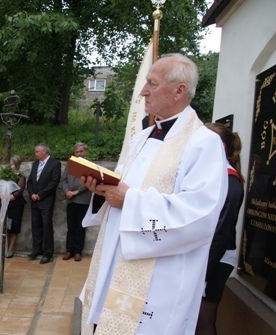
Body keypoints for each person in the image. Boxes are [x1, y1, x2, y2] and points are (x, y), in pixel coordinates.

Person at [79, 54, 228, 334]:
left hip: (160, 277)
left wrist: (129, 200)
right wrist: (101, 190)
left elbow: (199, 216)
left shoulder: (203, 144)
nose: (143, 91)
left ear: (179, 90)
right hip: (112, 263)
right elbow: (121, 185)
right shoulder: (142, 137)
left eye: (152, 83)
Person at [196, 123, 245, 335]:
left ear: (221, 146)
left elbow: (222, 232)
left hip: (216, 258)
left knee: (204, 320)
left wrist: (201, 272)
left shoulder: (230, 180)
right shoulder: (211, 173)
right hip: (203, 255)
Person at [26, 144, 61, 264]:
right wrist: (31, 194)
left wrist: (40, 194)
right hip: (34, 200)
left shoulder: (55, 163)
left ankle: (47, 253)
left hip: (45, 200)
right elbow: (30, 181)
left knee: (46, 226)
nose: (35, 154)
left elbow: (54, 182)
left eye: (37, 152)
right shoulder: (35, 164)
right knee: (35, 226)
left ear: (44, 152)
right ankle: (36, 250)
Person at [61, 142, 91, 262]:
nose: (79, 154)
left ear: (85, 152)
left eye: (81, 152)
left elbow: (89, 181)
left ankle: (78, 251)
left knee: (80, 226)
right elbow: (63, 180)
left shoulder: (89, 165)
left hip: (83, 200)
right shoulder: (70, 164)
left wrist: (76, 192)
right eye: (77, 152)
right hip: (70, 200)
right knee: (70, 226)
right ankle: (69, 250)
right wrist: (67, 191)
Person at [5, 155, 26, 258]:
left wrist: (12, 197)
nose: (12, 165)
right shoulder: (6, 175)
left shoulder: (21, 176)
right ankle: (5, 247)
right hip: (6, 204)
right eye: (11, 163)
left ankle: (10, 248)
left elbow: (20, 189)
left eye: (14, 163)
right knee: (6, 227)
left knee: (14, 228)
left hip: (16, 204)